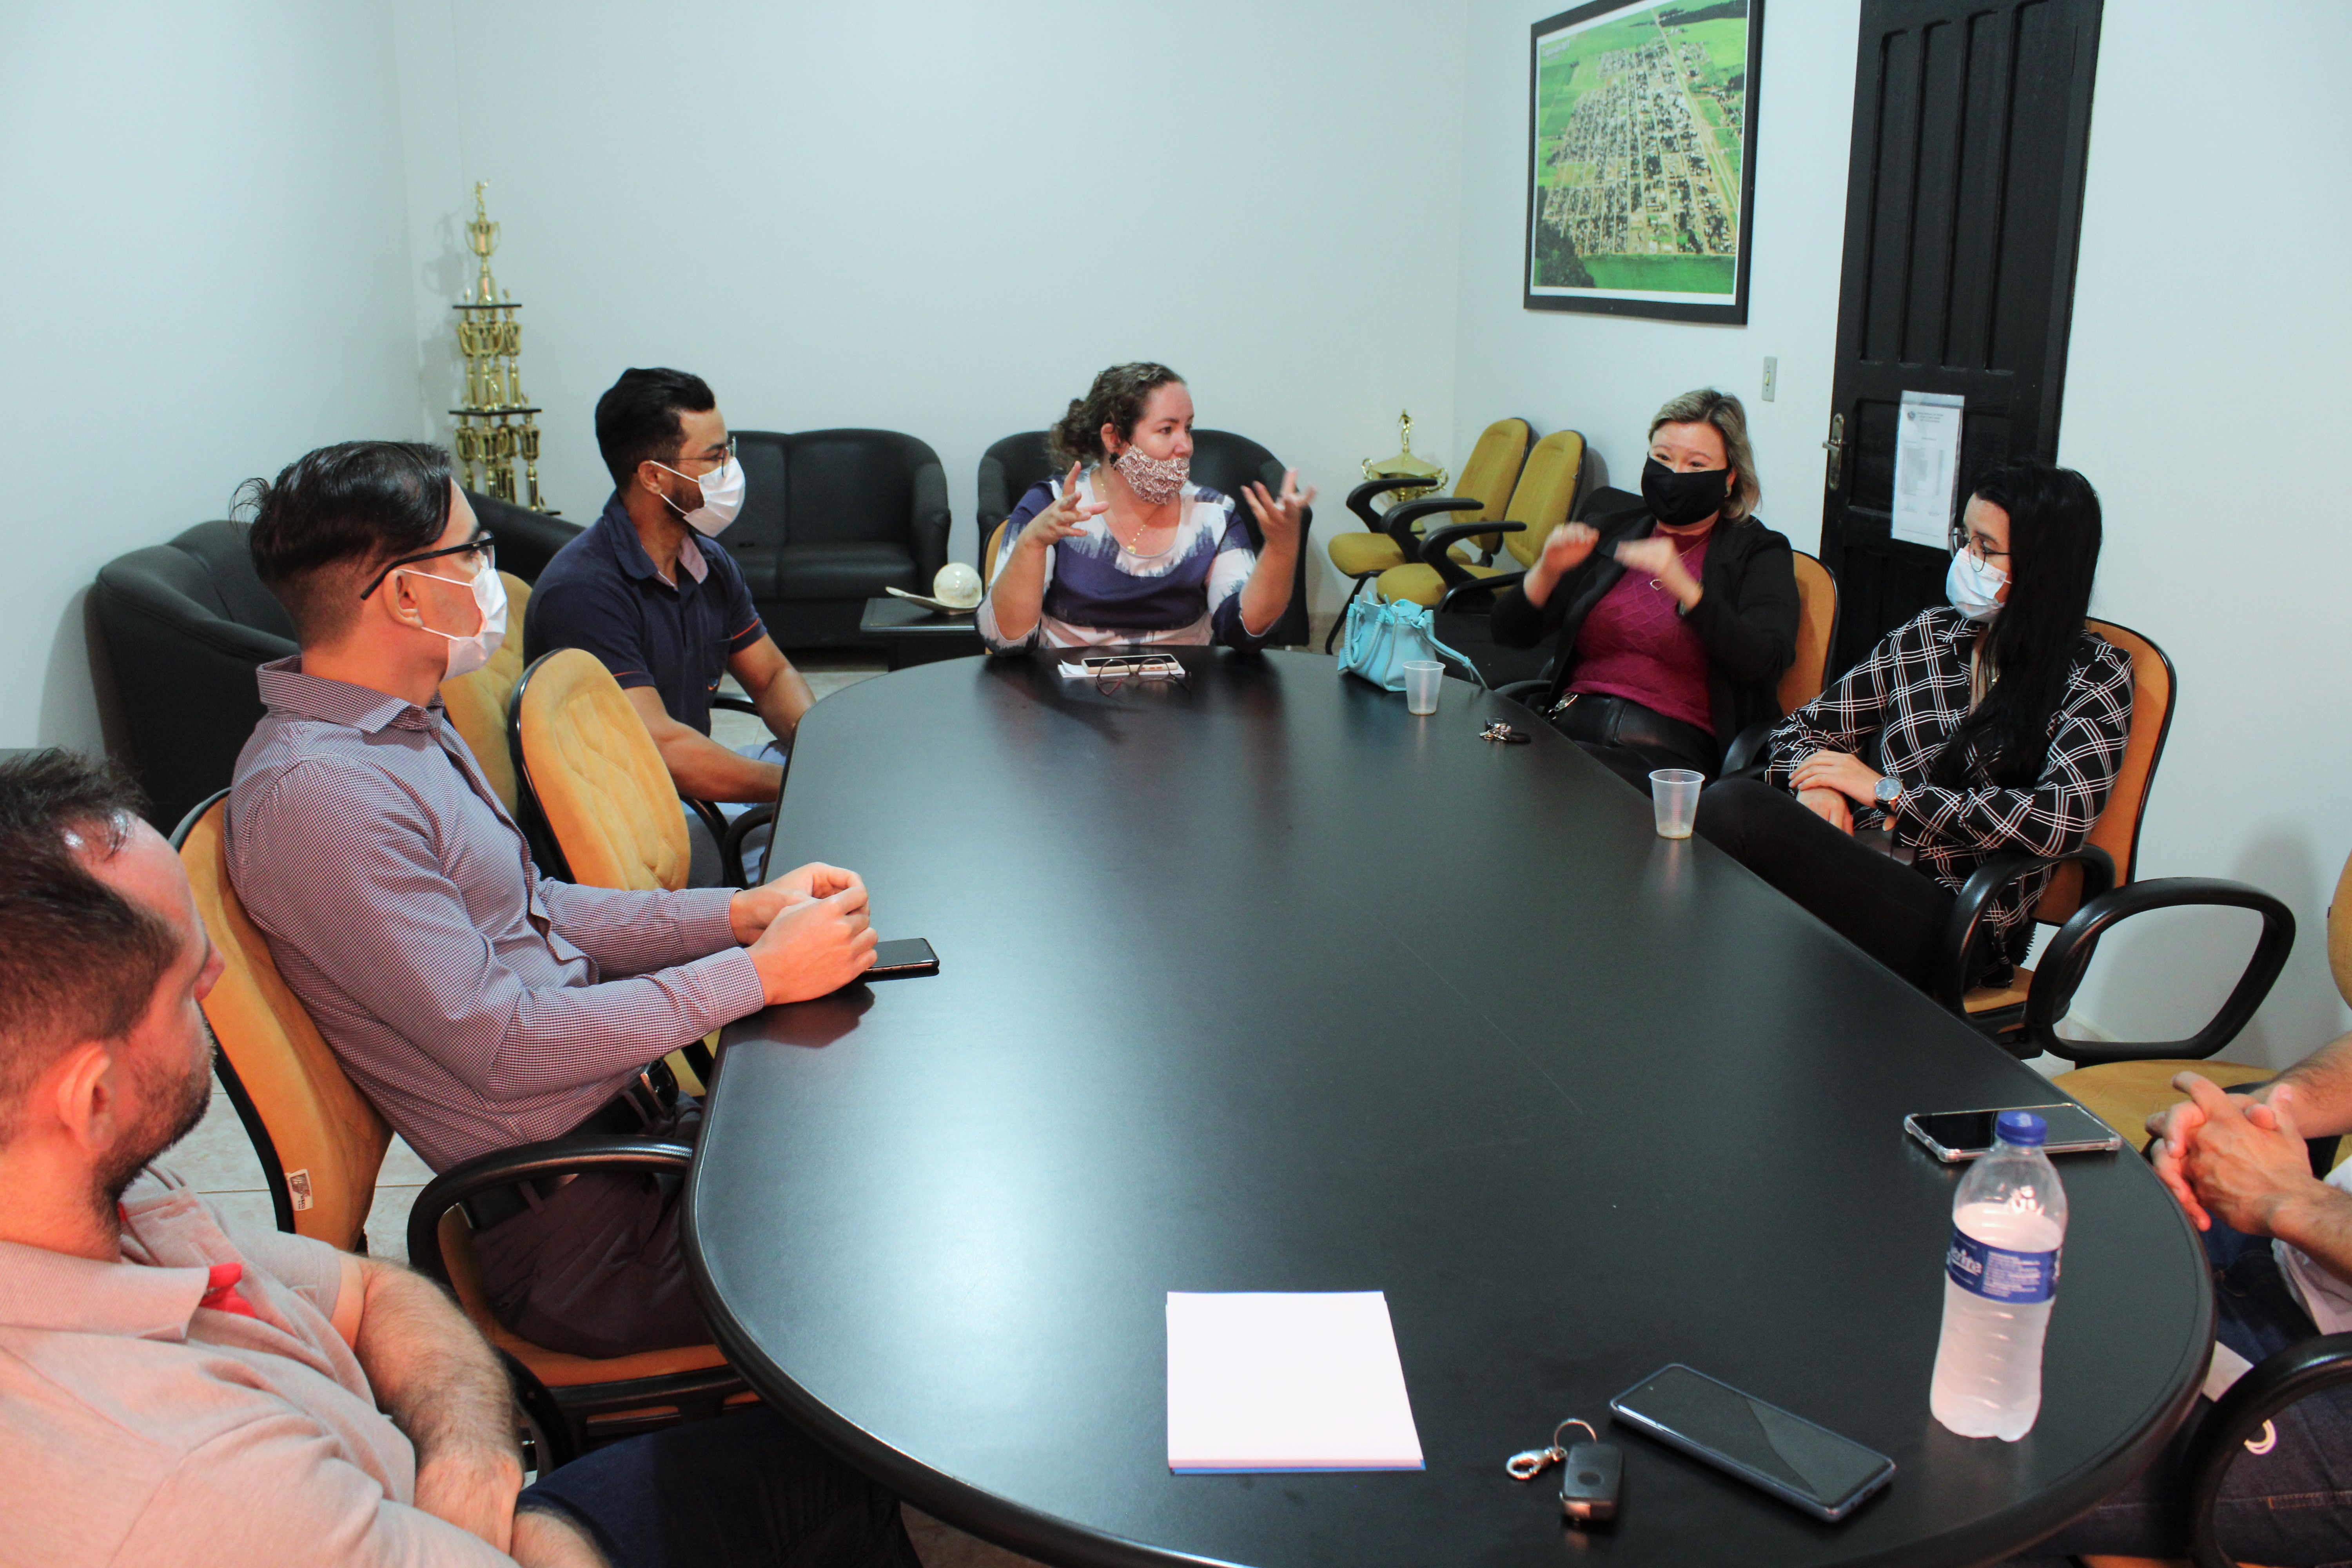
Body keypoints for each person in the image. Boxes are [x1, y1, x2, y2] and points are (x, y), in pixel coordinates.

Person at [0, 749, 919, 1568]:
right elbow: (503, 1043)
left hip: (434, 1490)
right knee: (859, 1373)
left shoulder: (101, 1192)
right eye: (187, 977)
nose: (219, 980)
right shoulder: (196, 1483)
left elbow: (375, 1292)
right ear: (93, 1093)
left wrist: (468, 1450)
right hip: (493, 1430)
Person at [229, 440, 878, 1359]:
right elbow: (503, 1044)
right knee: (905, 1237)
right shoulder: (321, 795)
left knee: (890, 1129)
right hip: (589, 1233)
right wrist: (756, 976)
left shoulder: (403, 728)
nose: (492, 575)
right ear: (407, 594)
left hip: (634, 1148)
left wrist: (740, 913)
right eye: (472, 552)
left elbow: (539, 907)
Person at [1695, 458, 2132, 995]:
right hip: (1865, 857)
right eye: (1964, 538)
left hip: (1958, 918)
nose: (1966, 558)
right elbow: (1801, 730)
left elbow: (2058, 819)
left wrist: (1889, 793)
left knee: (1733, 808)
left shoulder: (2096, 675)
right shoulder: (1930, 634)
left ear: (2045, 567)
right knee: (1735, 801)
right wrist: (1820, 786)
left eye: (1985, 548)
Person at [2006, 1048, 2352, 1564]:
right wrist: (2256, 1119)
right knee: (1990, 1285)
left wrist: (2293, 1197)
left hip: (2329, 1376)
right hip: (2291, 1252)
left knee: (2002, 1478)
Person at [525, 367, 813, 806]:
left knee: (834, 774)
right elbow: (663, 750)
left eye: (728, 451)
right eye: (714, 457)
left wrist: (814, 748)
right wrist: (798, 787)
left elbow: (772, 677)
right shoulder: (583, 591)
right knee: (818, 848)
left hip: (691, 787)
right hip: (637, 817)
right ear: (653, 477)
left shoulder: (707, 563)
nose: (730, 470)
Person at [1486, 388, 1798, 790]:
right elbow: (1508, 633)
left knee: (1554, 792)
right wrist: (1547, 569)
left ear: (1730, 477)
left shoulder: (1759, 551)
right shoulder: (1612, 530)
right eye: (1663, 458)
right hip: (1571, 728)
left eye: (1696, 464)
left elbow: (1765, 663)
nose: (1674, 475)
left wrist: (1688, 590)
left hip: (1669, 758)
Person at [978, 362, 1312, 652]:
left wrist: (1282, 549)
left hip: (1183, 703)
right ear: (1114, 439)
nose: (1186, 446)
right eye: (1167, 430)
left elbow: (1243, 633)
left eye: (1188, 428)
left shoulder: (1213, 515)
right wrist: (1033, 543)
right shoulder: (1051, 506)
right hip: (1067, 703)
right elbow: (1006, 641)